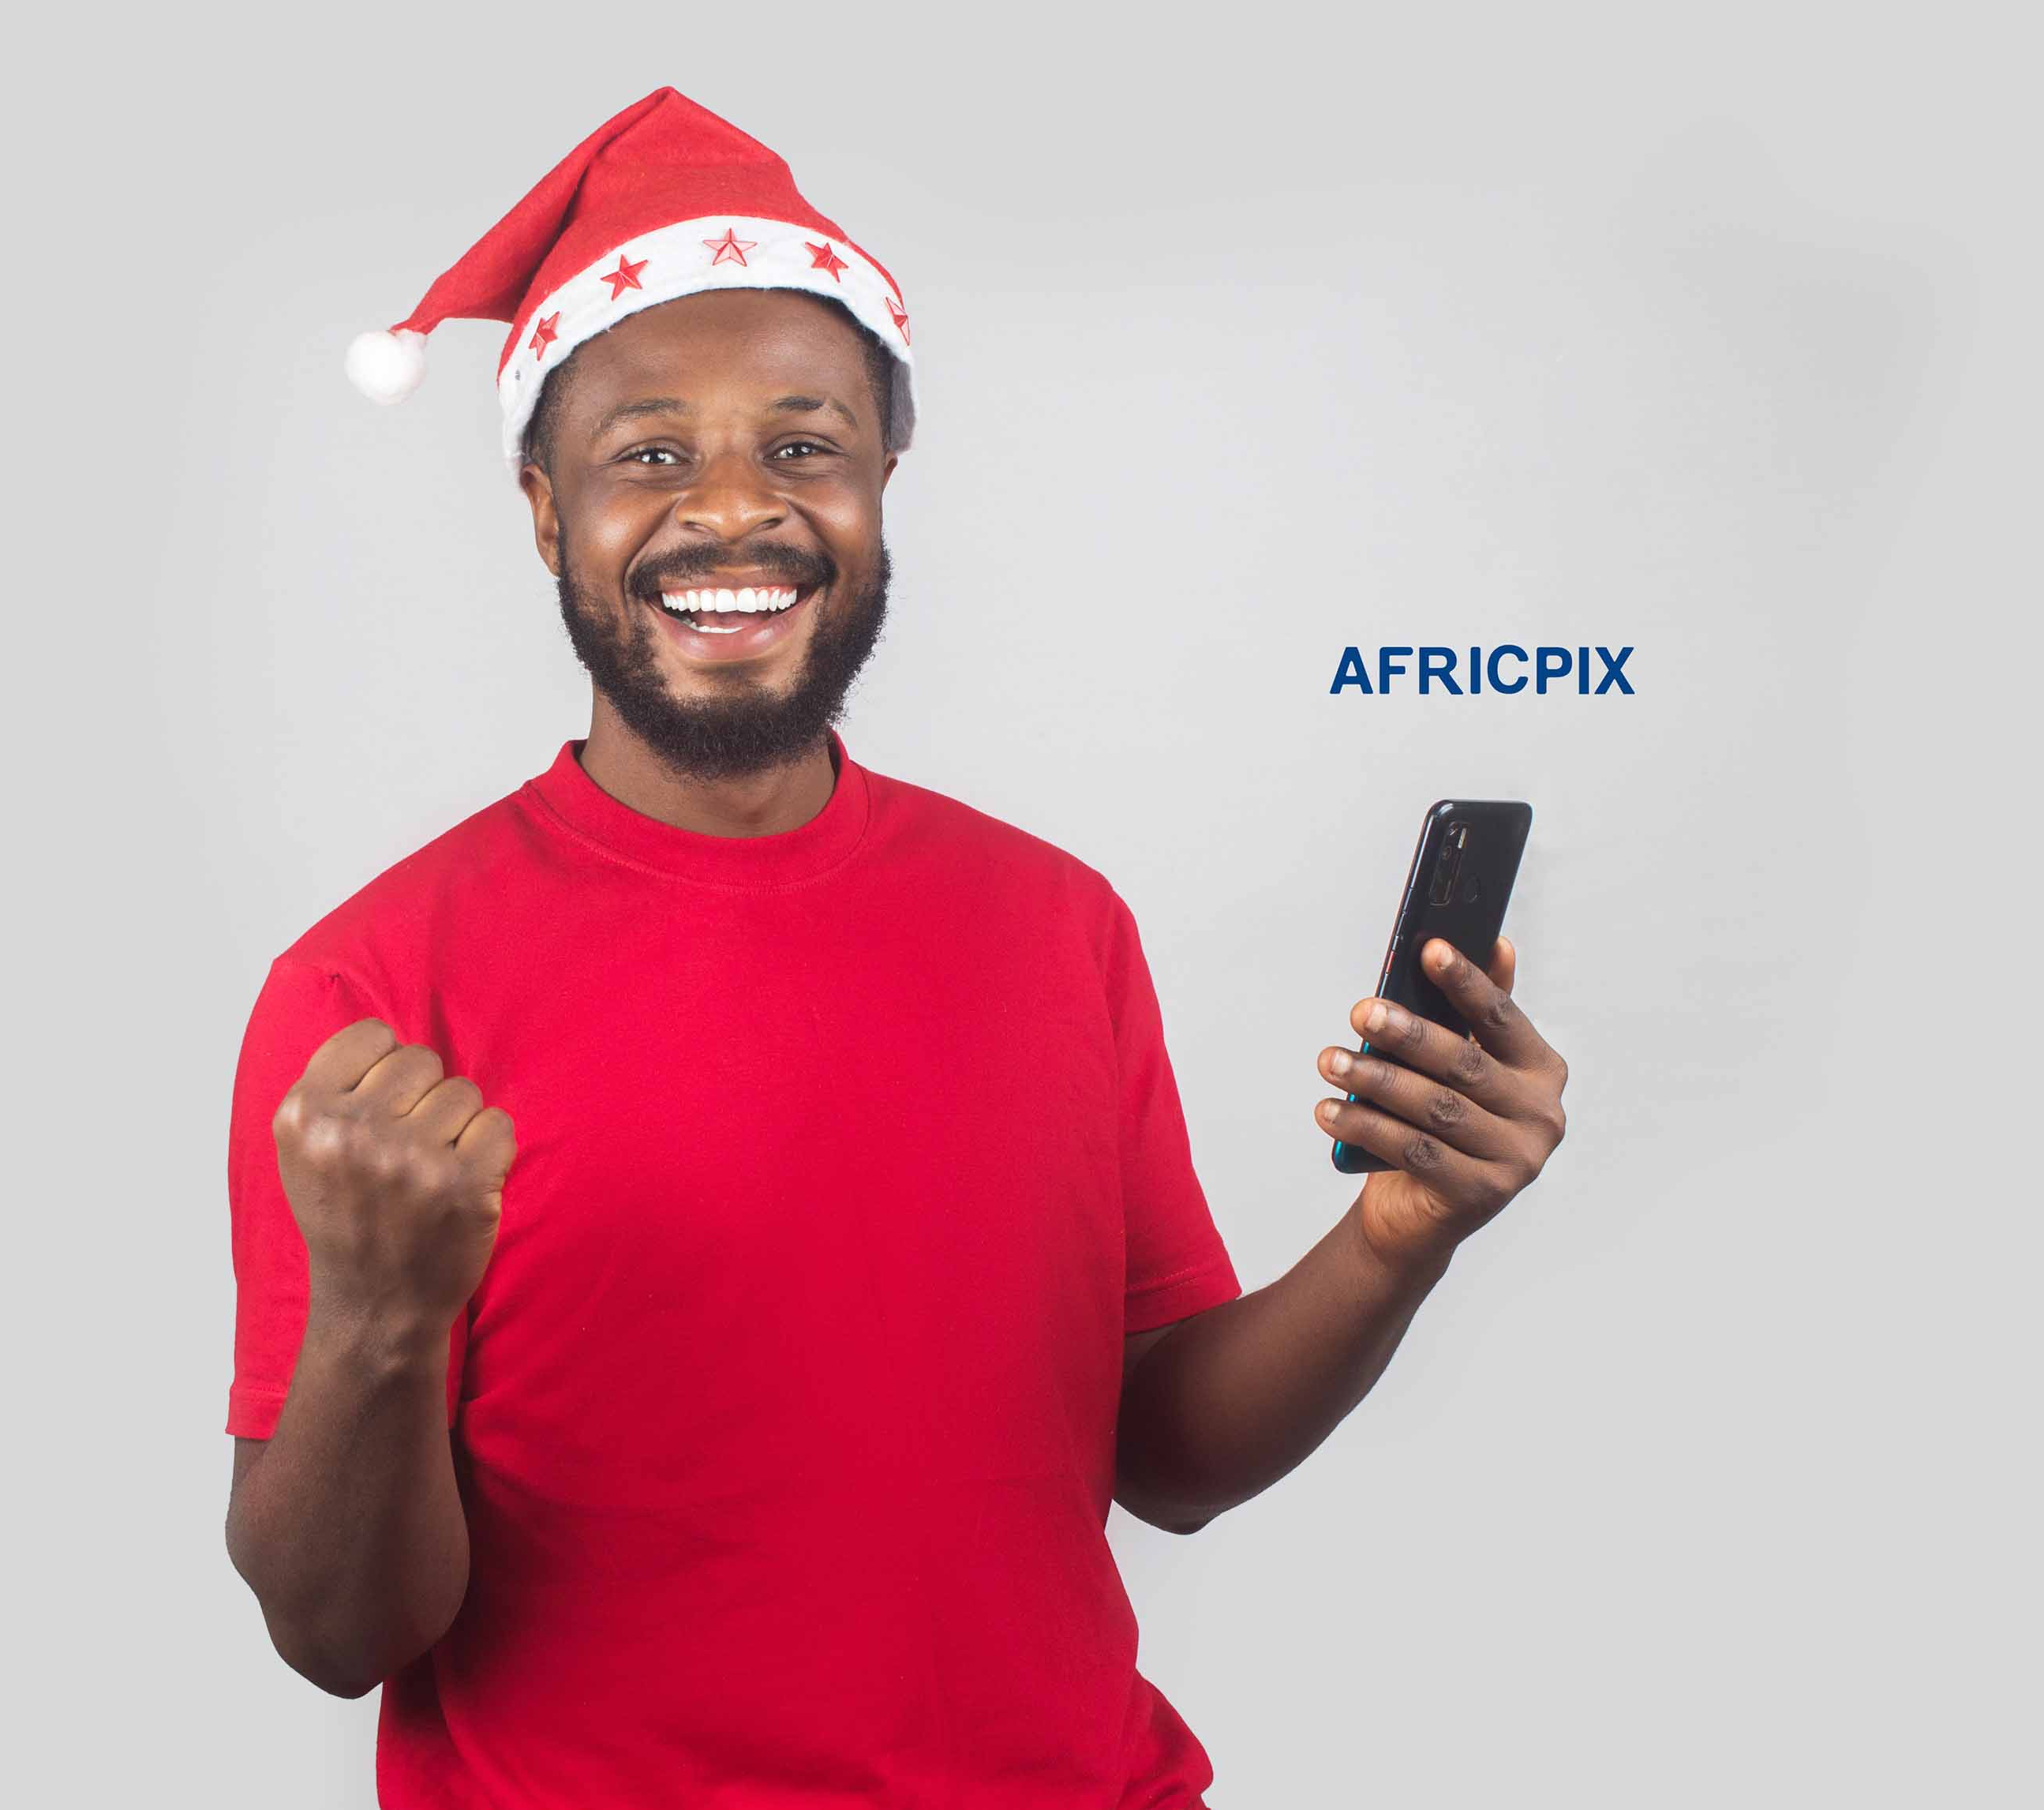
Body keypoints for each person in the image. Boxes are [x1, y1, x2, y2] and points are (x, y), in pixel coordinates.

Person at [222, 88, 1570, 1808]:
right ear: (545, 512)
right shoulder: (362, 997)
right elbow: (338, 1634)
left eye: (802, 445)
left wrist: (1397, 1234)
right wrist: (381, 1322)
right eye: (647, 451)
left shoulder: (1056, 924)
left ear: (878, 486)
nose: (732, 509)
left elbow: (1166, 1456)